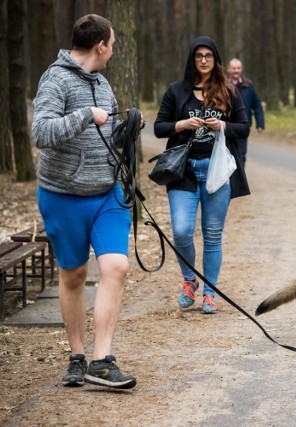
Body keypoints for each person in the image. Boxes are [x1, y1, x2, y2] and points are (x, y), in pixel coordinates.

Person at [32, 14, 140, 389]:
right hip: (63, 196)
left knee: (116, 267)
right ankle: (77, 355)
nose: (112, 51)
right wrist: (84, 115)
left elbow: (106, 130)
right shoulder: (55, 80)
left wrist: (126, 130)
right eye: (112, 44)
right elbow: (41, 132)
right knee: (74, 275)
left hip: (107, 194)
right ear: (101, 46)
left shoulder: (103, 82)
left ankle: (101, 359)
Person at [154, 37, 250, 314]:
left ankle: (209, 292)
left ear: (215, 60)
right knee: (182, 231)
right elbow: (160, 127)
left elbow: (243, 127)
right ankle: (189, 281)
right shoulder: (176, 91)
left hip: (216, 171)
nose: (204, 60)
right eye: (199, 56)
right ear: (192, 60)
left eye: (209, 55)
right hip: (182, 171)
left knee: (212, 234)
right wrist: (182, 123)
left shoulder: (229, 91)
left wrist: (223, 125)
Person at [226, 58, 265, 165]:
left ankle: (239, 180)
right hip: (226, 126)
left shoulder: (248, 86)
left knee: (241, 155)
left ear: (241, 69)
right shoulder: (222, 85)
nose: (236, 70)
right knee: (226, 154)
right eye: (233, 68)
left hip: (243, 125)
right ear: (228, 69)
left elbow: (257, 105)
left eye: (238, 68)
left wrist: (260, 124)